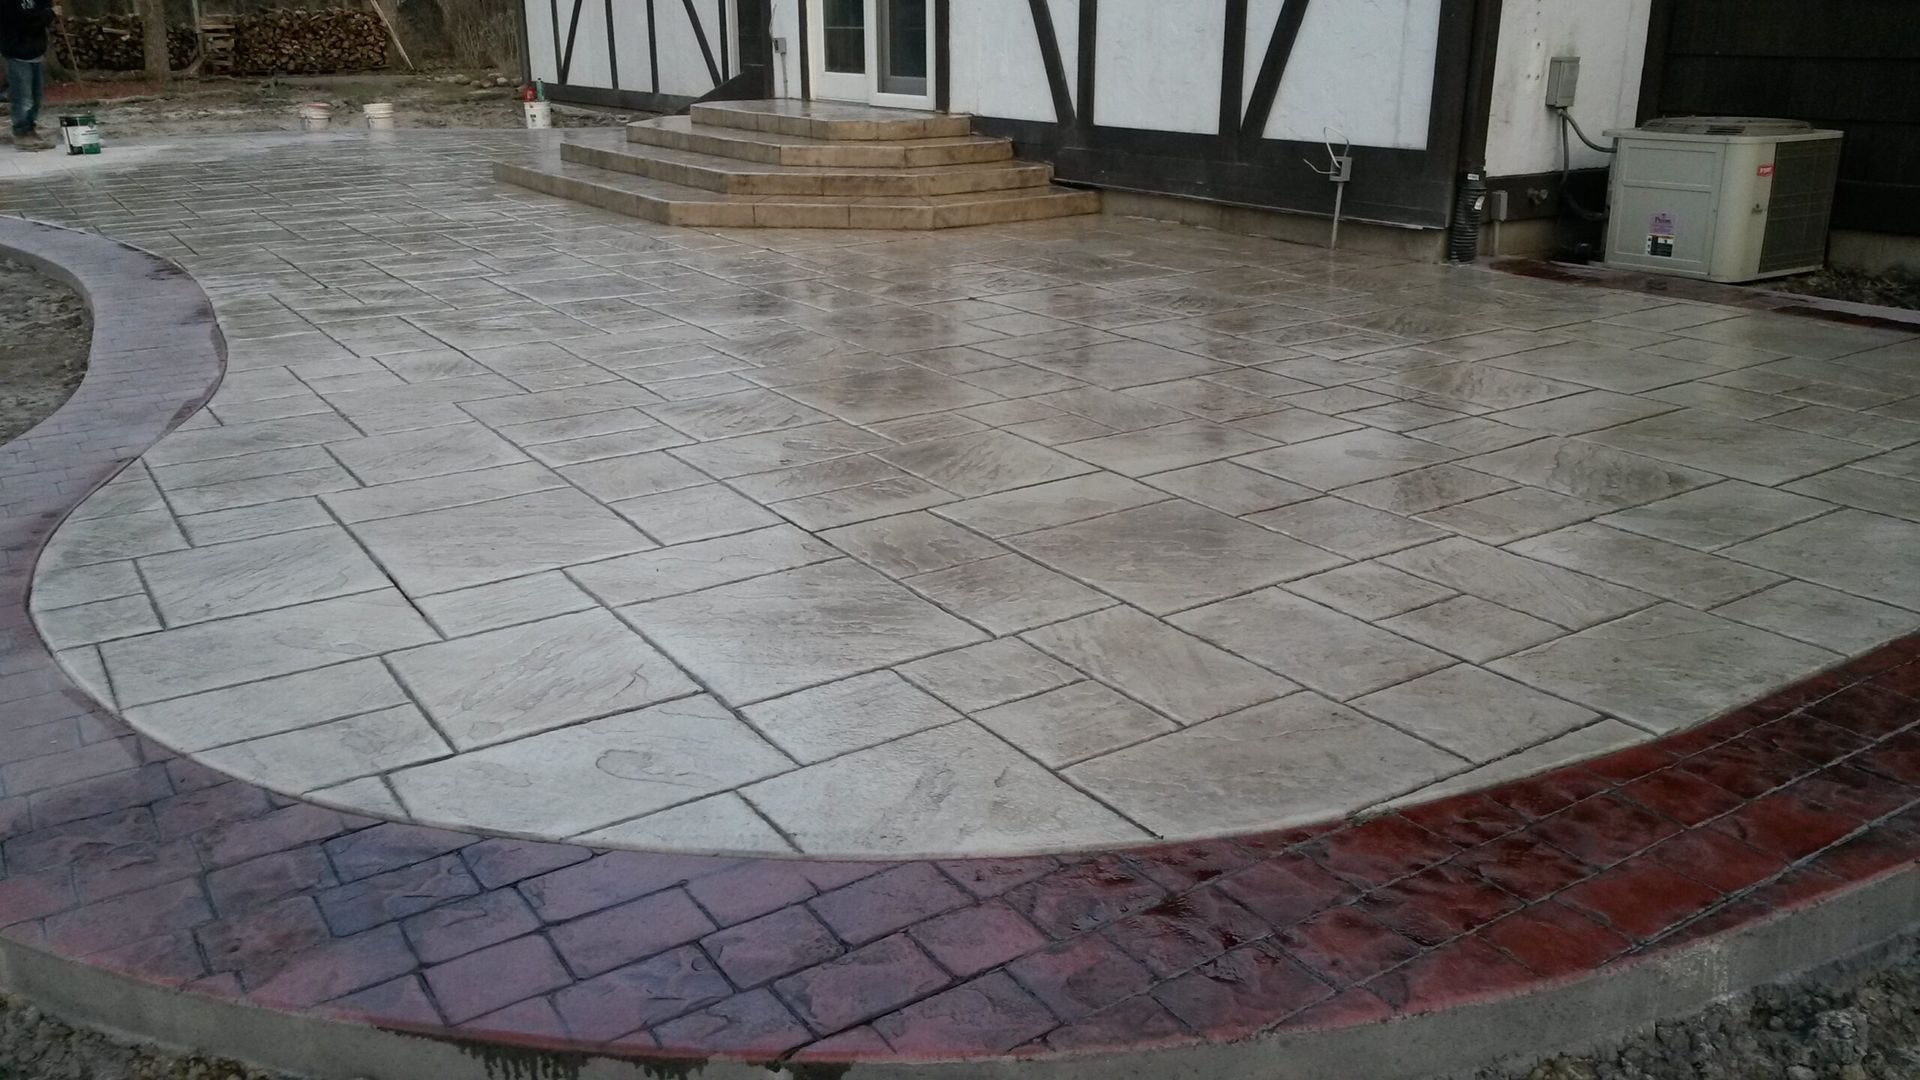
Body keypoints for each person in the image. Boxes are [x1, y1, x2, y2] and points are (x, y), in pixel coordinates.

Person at [1, 0, 55, 151]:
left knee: (36, 97)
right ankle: (21, 132)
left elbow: (45, 8)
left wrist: (49, 11)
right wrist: (49, 15)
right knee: (23, 97)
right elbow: (22, 21)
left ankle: (31, 129)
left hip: (36, 50)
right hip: (17, 51)